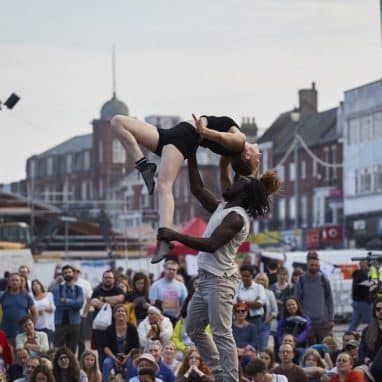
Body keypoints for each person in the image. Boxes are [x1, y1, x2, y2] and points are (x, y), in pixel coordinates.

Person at [157, 153, 280, 382]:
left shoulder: (236, 218)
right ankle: (221, 371)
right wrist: (190, 154)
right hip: (206, 280)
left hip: (221, 282)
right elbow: (197, 188)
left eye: (239, 182)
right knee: (193, 328)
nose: (234, 181)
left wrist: (175, 235)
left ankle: (230, 379)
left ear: (243, 194)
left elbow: (212, 244)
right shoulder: (223, 207)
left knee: (222, 333)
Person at [111, 113, 261, 262]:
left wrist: (204, 131)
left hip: (184, 138)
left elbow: (222, 139)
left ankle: (164, 239)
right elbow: (223, 177)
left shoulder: (240, 141)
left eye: (258, 159)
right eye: (259, 158)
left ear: (247, 156)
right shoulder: (229, 153)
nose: (259, 154)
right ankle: (143, 165)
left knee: (164, 185)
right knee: (117, 122)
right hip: (172, 135)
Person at [294, 251, 334, 345]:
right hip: (307, 323)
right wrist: (301, 317)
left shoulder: (324, 279)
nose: (314, 267)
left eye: (316, 265)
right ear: (307, 265)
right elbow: (296, 300)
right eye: (312, 265)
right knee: (310, 351)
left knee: (325, 348)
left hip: (324, 323)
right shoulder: (301, 280)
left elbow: (330, 300)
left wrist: (331, 318)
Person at [90, 270, 125, 367]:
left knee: (117, 351)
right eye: (106, 277)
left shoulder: (118, 289)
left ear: (114, 279)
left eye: (110, 278)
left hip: (115, 327)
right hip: (100, 328)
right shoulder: (97, 290)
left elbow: (120, 299)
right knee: (101, 352)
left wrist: (103, 300)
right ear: (102, 279)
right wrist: (110, 304)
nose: (108, 279)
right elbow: (94, 302)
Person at [102, 304, 140, 382]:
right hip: (113, 356)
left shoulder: (132, 328)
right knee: (106, 363)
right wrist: (115, 359)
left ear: (126, 314)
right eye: (118, 311)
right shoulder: (109, 329)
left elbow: (136, 346)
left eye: (123, 311)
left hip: (128, 356)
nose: (120, 313)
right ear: (114, 314)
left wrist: (127, 356)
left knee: (131, 363)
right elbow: (105, 347)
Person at [0, 272, 38, 347]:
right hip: (6, 332)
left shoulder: (26, 296)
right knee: (8, 357)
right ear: (8, 282)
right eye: (12, 280)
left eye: (17, 280)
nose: (14, 282)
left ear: (21, 282)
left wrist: (30, 327)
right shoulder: (3, 296)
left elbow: (35, 312)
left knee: (22, 355)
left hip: (22, 333)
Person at [53, 264, 84, 354]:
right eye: (65, 272)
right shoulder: (57, 289)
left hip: (74, 323)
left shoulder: (79, 289)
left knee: (72, 350)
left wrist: (66, 301)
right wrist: (73, 302)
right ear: (62, 275)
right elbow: (57, 304)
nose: (68, 274)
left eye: (69, 272)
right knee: (58, 349)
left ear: (73, 274)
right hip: (60, 323)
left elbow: (79, 304)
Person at [235, 264, 267, 352]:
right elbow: (235, 305)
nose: (245, 278)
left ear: (252, 276)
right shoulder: (237, 287)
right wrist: (252, 302)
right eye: (243, 276)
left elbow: (260, 304)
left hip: (256, 319)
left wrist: (243, 302)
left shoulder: (259, 287)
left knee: (257, 345)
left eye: (247, 276)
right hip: (241, 320)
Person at [149, 260, 188, 325]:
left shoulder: (181, 286)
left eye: (174, 270)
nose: (172, 271)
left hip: (177, 319)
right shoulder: (156, 285)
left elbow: (184, 303)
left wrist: (178, 316)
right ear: (164, 269)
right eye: (169, 269)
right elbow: (153, 304)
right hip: (161, 320)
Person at [72, 264, 93, 359]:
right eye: (73, 271)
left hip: (81, 315)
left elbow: (89, 299)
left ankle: (80, 358)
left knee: (81, 339)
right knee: (71, 338)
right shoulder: (65, 283)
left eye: (77, 271)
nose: (75, 273)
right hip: (69, 315)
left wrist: (85, 312)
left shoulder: (85, 283)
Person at [254, 272, 278, 352]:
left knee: (263, 348)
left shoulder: (270, 293)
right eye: (259, 279)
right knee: (252, 347)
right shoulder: (251, 292)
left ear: (266, 282)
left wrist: (267, 321)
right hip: (252, 324)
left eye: (263, 280)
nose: (261, 281)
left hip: (265, 324)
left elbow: (275, 311)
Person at [31, 279, 55, 346]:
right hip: (37, 325)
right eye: (33, 285)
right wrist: (37, 311)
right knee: (38, 346)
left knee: (47, 345)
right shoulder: (32, 298)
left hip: (47, 325)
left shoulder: (49, 295)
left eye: (37, 284)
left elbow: (53, 308)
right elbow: (30, 311)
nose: (35, 286)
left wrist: (43, 309)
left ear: (40, 285)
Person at [348, 260, 371, 331]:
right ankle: (375, 338)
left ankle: (348, 337)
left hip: (356, 301)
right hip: (362, 302)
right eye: (367, 264)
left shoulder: (358, 275)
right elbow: (366, 289)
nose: (369, 266)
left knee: (354, 323)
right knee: (372, 322)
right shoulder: (362, 275)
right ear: (363, 265)